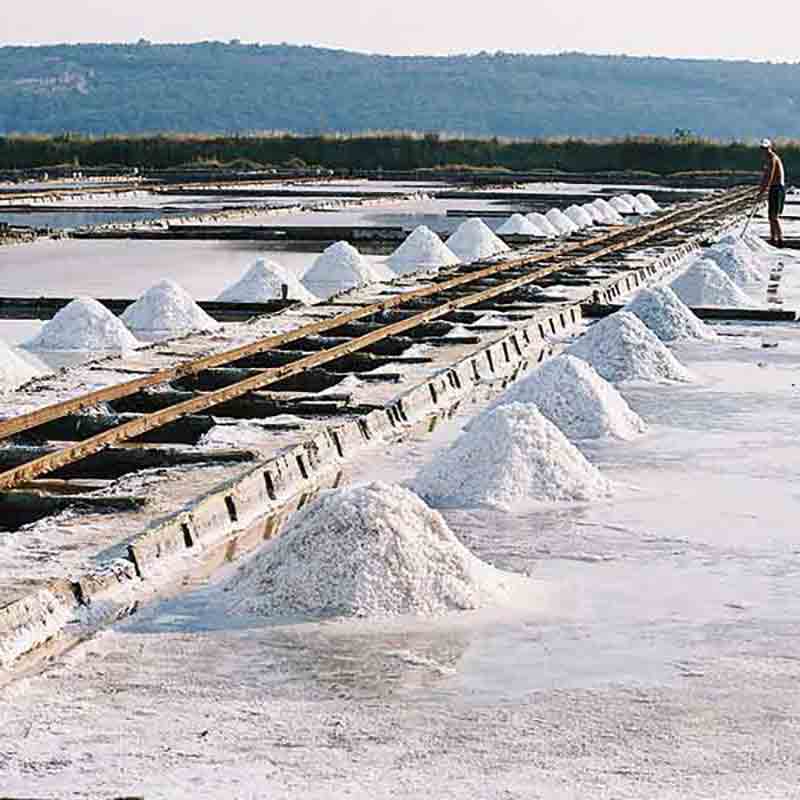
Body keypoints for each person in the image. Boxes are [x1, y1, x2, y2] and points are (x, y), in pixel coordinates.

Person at [758, 138, 786, 247]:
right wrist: (761, 188)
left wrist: (762, 192)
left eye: (765, 148)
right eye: (762, 149)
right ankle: (773, 239)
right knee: (770, 216)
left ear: (770, 148)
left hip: (778, 188)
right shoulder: (767, 160)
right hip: (773, 188)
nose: (764, 151)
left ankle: (780, 240)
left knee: (774, 216)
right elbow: (765, 176)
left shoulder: (773, 159)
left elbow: (770, 176)